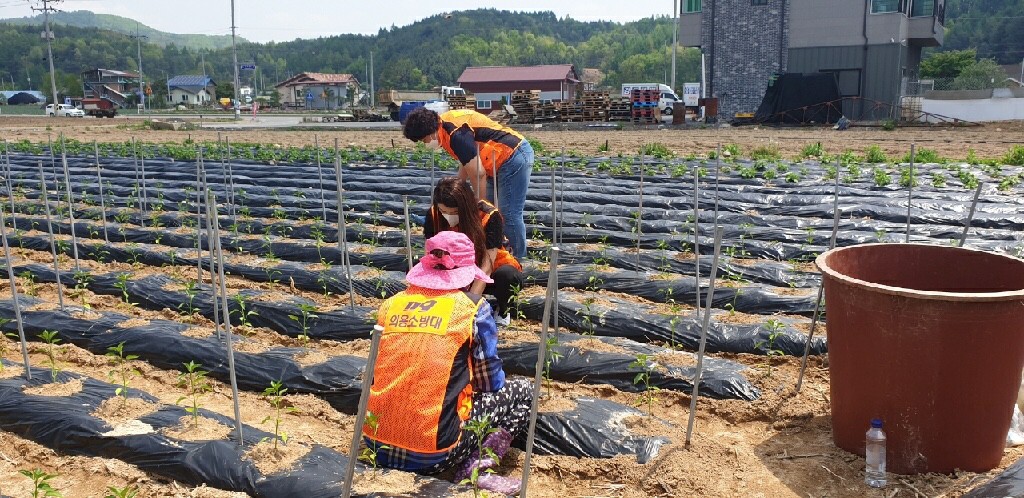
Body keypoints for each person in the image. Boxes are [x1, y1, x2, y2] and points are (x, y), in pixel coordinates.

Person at [363, 231, 532, 495]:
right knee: (522, 390)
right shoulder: (472, 308)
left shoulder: (391, 305)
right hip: (433, 454)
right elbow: (490, 382)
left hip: (376, 445)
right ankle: (477, 467)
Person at [403, 107, 533, 259]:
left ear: (430, 132)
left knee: (507, 213)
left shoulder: (456, 134)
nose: (425, 144)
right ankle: (497, 254)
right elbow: (467, 161)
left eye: (424, 140)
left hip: (512, 156)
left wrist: (479, 209)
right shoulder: (445, 129)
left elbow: (478, 174)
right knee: (493, 214)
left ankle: (518, 259)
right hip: (493, 161)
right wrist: (456, 191)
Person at [424, 176, 525, 326]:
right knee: (417, 267)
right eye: (444, 211)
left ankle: (503, 310)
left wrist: (470, 304)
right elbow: (430, 254)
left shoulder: (488, 215)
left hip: (489, 272)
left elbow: (487, 264)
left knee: (508, 276)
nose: (449, 217)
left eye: (455, 212)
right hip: (455, 270)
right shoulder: (434, 215)